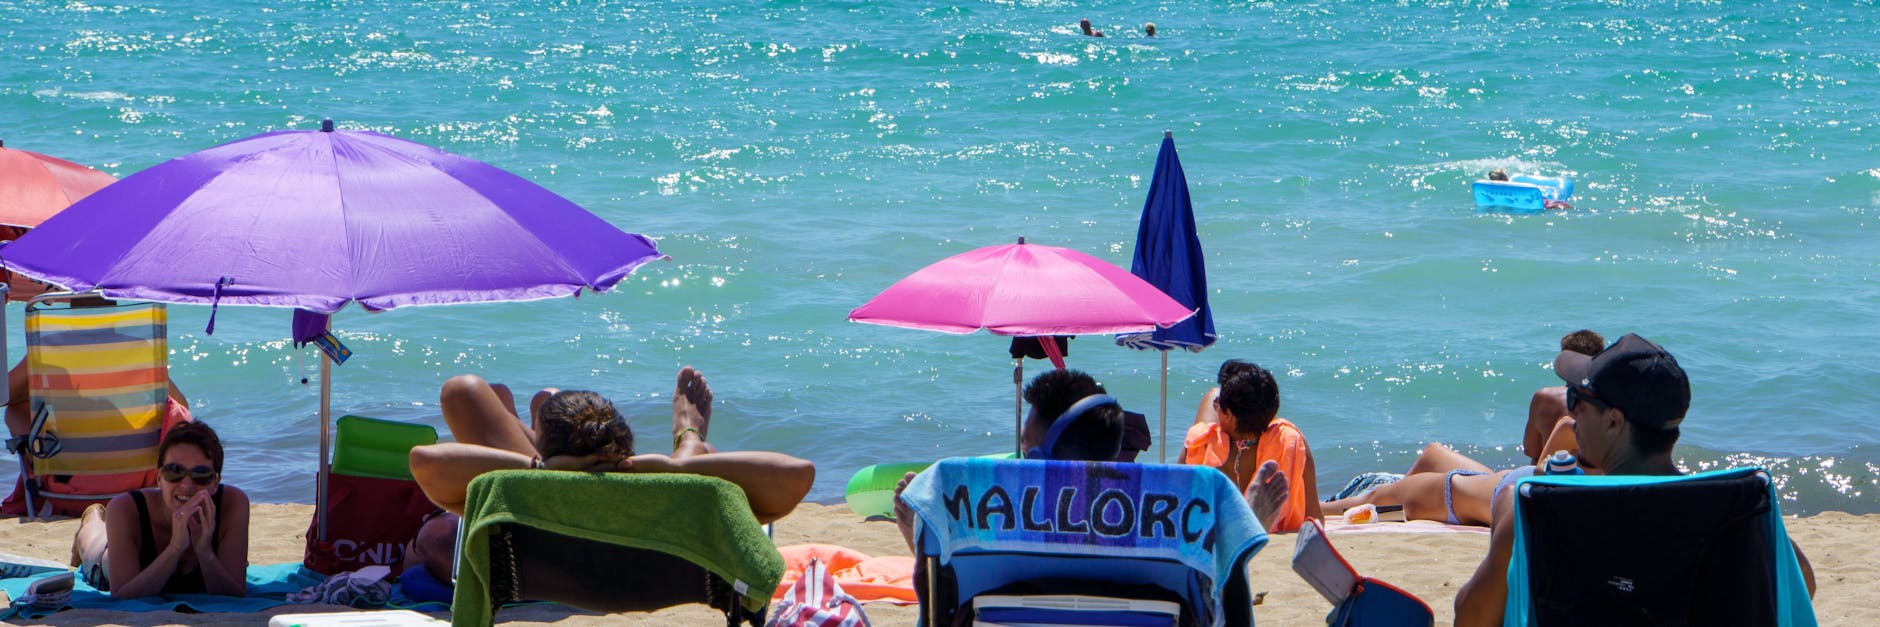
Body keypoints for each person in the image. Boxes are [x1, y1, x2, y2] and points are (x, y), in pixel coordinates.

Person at [1453, 334, 1816, 624]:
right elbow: (1803, 584)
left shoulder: (1542, 504)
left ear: (1614, 420)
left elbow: (1472, 618)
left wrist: (1506, 540)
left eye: (1578, 397)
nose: (1572, 410)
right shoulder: (1737, 504)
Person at [408, 366, 815, 525]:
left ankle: (539, 427)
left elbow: (427, 461)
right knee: (547, 397)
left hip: (538, 538)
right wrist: (677, 461)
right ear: (626, 450)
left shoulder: (523, 488)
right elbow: (796, 474)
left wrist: (546, 470)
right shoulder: (666, 494)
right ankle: (690, 444)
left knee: (465, 390)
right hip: (648, 549)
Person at [71, 421, 251, 597]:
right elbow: (122, 594)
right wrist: (175, 548)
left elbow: (234, 592)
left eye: (200, 475)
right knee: (93, 542)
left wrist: (205, 553)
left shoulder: (232, 504)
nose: (186, 484)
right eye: (174, 471)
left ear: (215, 483)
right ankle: (92, 518)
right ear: (159, 478)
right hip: (105, 557)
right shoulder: (126, 508)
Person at [1180, 360, 1323, 533]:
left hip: (1212, 537)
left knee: (1212, 393)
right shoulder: (1291, 443)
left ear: (1228, 416)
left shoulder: (1201, 443)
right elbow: (1315, 520)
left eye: (1220, 407)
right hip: (1273, 535)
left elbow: (1173, 499)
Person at [1521, 329, 1603, 463]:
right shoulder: (1610, 399)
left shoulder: (1544, 397)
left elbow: (1531, 450)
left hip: (1552, 475)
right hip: (1596, 476)